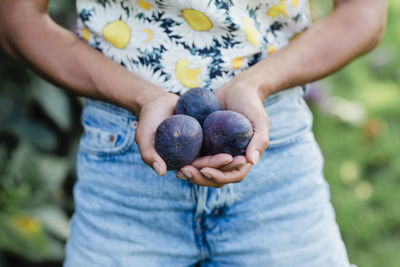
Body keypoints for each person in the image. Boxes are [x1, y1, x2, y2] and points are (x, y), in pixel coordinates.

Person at [0, 0, 387, 266]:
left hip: (275, 162)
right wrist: (141, 98)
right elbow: (17, 21)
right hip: (125, 176)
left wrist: (256, 84)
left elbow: (363, 12)